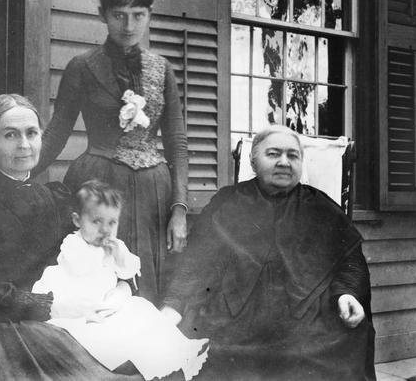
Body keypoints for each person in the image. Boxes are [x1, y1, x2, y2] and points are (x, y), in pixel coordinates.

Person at [0, 94, 142, 380]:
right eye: (10, 135)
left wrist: (119, 288)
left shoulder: (54, 198)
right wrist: (52, 306)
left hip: (62, 311)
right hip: (1, 321)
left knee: (142, 343)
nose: (24, 145)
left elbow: (88, 252)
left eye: (32, 133)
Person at [161, 125, 376, 380]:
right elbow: (196, 261)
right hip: (234, 317)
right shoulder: (227, 202)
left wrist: (346, 294)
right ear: (253, 161)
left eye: (293, 156)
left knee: (329, 353)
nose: (284, 162)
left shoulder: (321, 207)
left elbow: (350, 261)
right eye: (273, 154)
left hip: (307, 322)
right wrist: (174, 304)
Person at [33, 0, 188, 304]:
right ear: (102, 14)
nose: (129, 25)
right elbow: (57, 133)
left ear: (149, 15)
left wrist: (179, 208)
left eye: (138, 14)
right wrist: (17, 175)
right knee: (94, 283)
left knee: (144, 286)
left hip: (154, 194)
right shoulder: (82, 66)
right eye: (119, 15)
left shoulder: (163, 70)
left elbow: (176, 142)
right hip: (99, 185)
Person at [33, 180, 209, 381]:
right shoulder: (73, 243)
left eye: (112, 223)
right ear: (77, 220)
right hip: (78, 300)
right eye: (96, 222)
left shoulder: (115, 245)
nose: (105, 230)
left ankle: (173, 353)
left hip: (107, 297)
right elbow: (79, 269)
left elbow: (129, 270)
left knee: (144, 310)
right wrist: (102, 254)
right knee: (101, 333)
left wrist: (118, 255)